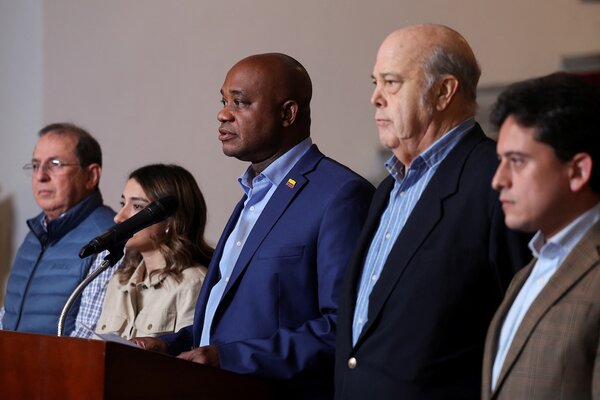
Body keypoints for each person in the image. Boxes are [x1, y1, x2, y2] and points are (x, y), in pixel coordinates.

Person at [134, 53, 374, 399]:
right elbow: (236, 323)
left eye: (240, 102)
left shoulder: (339, 195)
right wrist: (171, 345)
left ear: (287, 113)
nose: (223, 113)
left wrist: (228, 358)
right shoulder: (252, 195)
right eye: (223, 100)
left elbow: (342, 326)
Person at [334, 24, 531, 399]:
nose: (375, 97)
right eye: (374, 82)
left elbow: (525, 330)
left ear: (444, 92)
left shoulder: (496, 180)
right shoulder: (387, 188)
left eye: (391, 83)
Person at [481, 73, 600, 400]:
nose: (498, 180)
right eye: (500, 160)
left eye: (516, 161)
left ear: (577, 171)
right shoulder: (528, 272)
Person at [2, 123, 116, 335]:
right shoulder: (34, 234)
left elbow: (87, 336)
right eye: (35, 165)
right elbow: (9, 314)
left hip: (57, 367)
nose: (41, 176)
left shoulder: (108, 237)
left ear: (91, 176)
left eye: (55, 164)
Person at [94, 164, 213, 339]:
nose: (119, 217)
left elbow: (189, 361)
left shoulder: (193, 284)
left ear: (171, 219)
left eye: (137, 206)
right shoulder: (119, 281)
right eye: (122, 203)